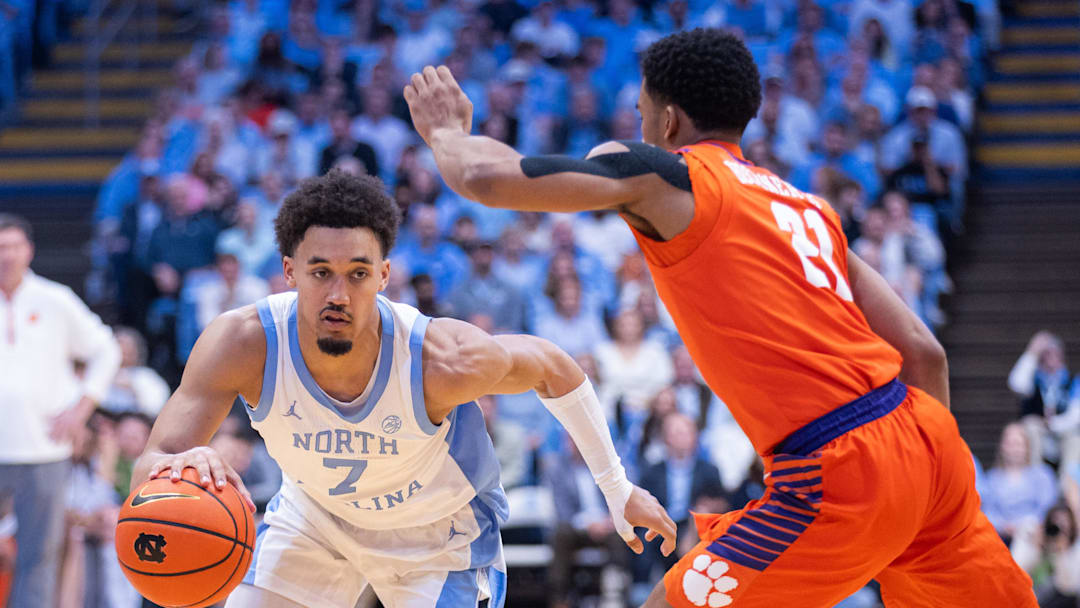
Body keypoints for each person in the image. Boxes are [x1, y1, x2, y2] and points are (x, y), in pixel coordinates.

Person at [403, 27, 1036, 607]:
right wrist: (917, 471)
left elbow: (488, 178)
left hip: (835, 466)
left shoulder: (668, 176)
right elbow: (925, 351)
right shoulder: (808, 208)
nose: (641, 125)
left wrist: (447, 133)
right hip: (927, 439)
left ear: (668, 118)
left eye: (643, 113)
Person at [131, 170, 676, 608]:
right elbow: (148, 466)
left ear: (385, 275)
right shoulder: (242, 342)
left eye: (358, 273)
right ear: (288, 271)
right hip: (317, 516)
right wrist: (176, 468)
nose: (339, 293)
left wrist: (616, 487)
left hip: (437, 539)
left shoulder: (440, 358)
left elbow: (554, 365)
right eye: (321, 272)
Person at [0, 214, 122, 608]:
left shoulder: (55, 300)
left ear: (29, 251)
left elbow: (107, 349)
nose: (7, 255)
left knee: (40, 558)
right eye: (0, 248)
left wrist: (82, 407)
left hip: (44, 450)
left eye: (13, 246)